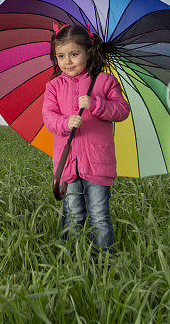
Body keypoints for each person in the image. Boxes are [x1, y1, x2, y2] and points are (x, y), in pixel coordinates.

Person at [42, 23, 130, 254]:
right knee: (73, 213)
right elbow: (48, 117)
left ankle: (103, 262)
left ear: (88, 52)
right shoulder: (53, 86)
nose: (67, 61)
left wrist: (96, 105)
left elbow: (122, 110)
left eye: (74, 54)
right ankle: (71, 258)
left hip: (98, 163)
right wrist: (65, 122)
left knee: (99, 215)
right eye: (61, 56)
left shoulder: (104, 81)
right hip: (68, 163)